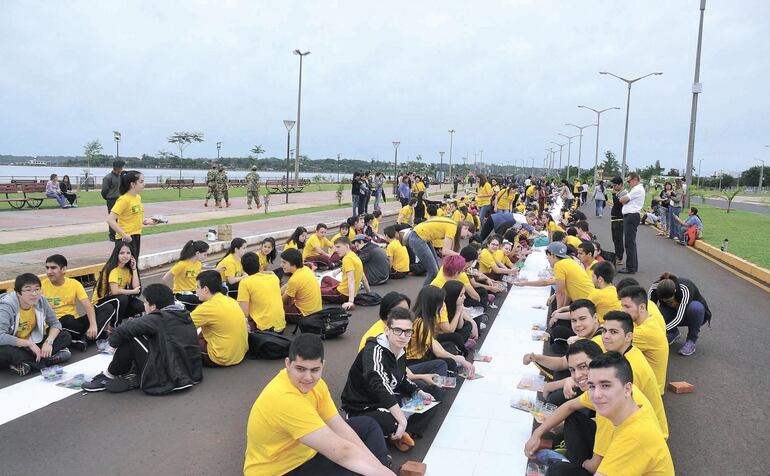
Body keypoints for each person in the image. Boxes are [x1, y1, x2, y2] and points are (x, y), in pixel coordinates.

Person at [243, 334, 393, 476]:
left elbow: (340, 428)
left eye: (314, 370)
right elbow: (342, 452)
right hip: (280, 471)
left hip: (305, 454)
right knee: (356, 469)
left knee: (367, 426)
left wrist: (378, 468)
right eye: (300, 369)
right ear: (288, 363)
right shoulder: (284, 398)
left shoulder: (317, 385)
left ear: (323, 365)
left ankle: (381, 466)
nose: (308, 378)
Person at [527, 349, 673, 475]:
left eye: (605, 385)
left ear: (627, 389)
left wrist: (582, 465)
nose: (596, 394)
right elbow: (569, 406)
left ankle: (568, 462)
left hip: (621, 453)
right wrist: (537, 433)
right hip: (623, 454)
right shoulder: (623, 404)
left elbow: (595, 467)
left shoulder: (633, 436)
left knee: (558, 471)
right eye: (592, 386)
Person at [341, 307, 437, 452]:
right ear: (387, 330)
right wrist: (401, 419)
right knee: (394, 421)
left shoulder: (400, 350)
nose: (403, 336)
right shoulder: (374, 350)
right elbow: (378, 380)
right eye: (397, 330)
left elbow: (401, 379)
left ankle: (399, 432)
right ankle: (396, 429)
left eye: (407, 332)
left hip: (385, 400)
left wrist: (418, 391)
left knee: (430, 395)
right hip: (362, 407)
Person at [81, 283, 203, 394]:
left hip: (170, 376)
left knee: (132, 339)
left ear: (153, 306)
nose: (143, 305)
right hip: (190, 372)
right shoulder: (183, 313)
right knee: (147, 335)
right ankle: (136, 373)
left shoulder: (158, 318)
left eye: (145, 302)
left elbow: (124, 330)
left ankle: (109, 375)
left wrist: (111, 344)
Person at [593, 311, 668, 441]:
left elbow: (619, 411)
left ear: (629, 337)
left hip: (648, 434)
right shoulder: (626, 352)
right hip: (639, 422)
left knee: (580, 422)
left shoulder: (631, 367)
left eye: (613, 332)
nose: (605, 336)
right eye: (604, 331)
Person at [0, 273, 72, 376]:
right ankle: (46, 361)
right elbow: (1, 336)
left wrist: (49, 342)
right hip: (12, 344)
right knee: (5, 353)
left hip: (33, 341)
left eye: (37, 289)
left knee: (65, 336)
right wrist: (28, 344)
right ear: (18, 293)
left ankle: (27, 364)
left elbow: (55, 323)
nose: (34, 294)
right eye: (28, 290)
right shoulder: (7, 306)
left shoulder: (41, 301)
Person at [405, 286, 476, 377]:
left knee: (449, 347)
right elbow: (438, 349)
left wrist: (456, 358)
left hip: (423, 353)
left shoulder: (423, 317)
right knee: (445, 363)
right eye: (441, 303)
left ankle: (452, 363)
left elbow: (434, 342)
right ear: (432, 304)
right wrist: (458, 359)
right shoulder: (420, 323)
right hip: (414, 361)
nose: (443, 305)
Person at [41, 254, 103, 350]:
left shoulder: (74, 284)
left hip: (75, 323)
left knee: (105, 308)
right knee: (67, 319)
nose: (49, 271)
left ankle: (83, 337)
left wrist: (93, 325)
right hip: (55, 326)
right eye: (47, 268)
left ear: (63, 269)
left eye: (53, 268)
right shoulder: (41, 286)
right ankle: (91, 336)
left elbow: (88, 305)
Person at [618, 286, 669, 394]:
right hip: (648, 385)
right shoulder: (647, 320)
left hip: (647, 391)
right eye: (622, 306)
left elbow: (609, 342)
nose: (623, 311)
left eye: (627, 306)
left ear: (642, 307)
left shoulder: (646, 331)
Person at [191, 270, 248, 366]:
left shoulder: (206, 308)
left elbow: (183, 326)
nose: (195, 290)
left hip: (222, 357)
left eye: (197, 287)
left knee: (186, 342)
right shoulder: (230, 300)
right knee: (205, 330)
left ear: (205, 289)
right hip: (240, 353)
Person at [648, 272, 711, 356]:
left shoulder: (685, 288)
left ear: (675, 291)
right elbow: (648, 310)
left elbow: (679, 317)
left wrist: (660, 330)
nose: (666, 301)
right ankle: (673, 333)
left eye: (668, 299)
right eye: (663, 300)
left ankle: (691, 341)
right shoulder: (654, 288)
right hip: (671, 310)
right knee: (659, 315)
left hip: (689, 313)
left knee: (695, 308)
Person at [516, 242, 594, 309]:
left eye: (548, 256)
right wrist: (561, 309)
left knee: (556, 321)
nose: (548, 259)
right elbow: (567, 291)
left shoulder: (559, 265)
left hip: (587, 304)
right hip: (590, 299)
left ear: (552, 255)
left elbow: (561, 292)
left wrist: (557, 313)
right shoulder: (569, 261)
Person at [405, 216, 474, 286]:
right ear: (465, 227)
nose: (465, 238)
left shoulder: (453, 224)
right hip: (418, 237)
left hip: (421, 236)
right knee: (433, 272)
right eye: (467, 235)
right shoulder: (453, 227)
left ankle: (432, 291)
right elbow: (445, 251)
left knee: (436, 271)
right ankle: (424, 295)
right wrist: (462, 256)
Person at [91, 242, 145, 325]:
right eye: (122, 253)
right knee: (123, 298)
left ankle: (120, 319)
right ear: (116, 254)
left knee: (140, 306)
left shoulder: (127, 270)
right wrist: (132, 291)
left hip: (116, 301)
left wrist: (134, 269)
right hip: (100, 304)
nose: (125, 256)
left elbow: (136, 287)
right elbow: (115, 291)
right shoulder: (112, 269)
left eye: (128, 253)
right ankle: (114, 326)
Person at [106, 170, 154, 258]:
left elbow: (132, 216)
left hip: (136, 235)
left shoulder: (137, 197)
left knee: (133, 265)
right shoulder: (124, 200)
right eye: (141, 182)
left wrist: (145, 221)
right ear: (132, 184)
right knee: (126, 267)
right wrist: (124, 235)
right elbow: (110, 220)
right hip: (125, 238)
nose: (144, 184)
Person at [239, 252, 287, 332]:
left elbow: (245, 313)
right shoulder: (273, 277)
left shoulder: (245, 283)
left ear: (243, 268)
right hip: (281, 326)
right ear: (259, 265)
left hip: (265, 330)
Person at [320, 237, 370, 311]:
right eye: (335, 247)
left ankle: (327, 295)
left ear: (347, 246)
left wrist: (350, 302)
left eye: (338, 247)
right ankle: (328, 292)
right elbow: (363, 278)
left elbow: (351, 279)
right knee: (326, 278)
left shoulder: (347, 259)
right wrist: (369, 293)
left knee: (315, 291)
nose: (336, 250)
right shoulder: (354, 256)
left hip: (342, 294)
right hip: (344, 288)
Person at [162, 240, 210, 310]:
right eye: (205, 254)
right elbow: (165, 278)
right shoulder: (182, 264)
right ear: (197, 253)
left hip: (194, 292)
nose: (206, 257)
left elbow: (198, 276)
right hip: (181, 294)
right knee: (205, 301)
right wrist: (172, 292)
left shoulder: (198, 264)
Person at [280, 249, 323, 324]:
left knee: (273, 309)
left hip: (305, 314)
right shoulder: (305, 269)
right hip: (316, 310)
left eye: (284, 262)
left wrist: (271, 300)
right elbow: (288, 285)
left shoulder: (295, 279)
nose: (281, 265)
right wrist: (277, 292)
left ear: (293, 264)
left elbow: (285, 301)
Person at [617, 172, 645, 274]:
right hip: (631, 216)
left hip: (631, 216)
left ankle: (631, 267)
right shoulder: (635, 189)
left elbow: (623, 200)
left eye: (629, 181)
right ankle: (632, 266)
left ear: (635, 179)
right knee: (630, 242)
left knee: (629, 242)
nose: (628, 183)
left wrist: (623, 199)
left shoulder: (637, 189)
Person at [101, 160, 125, 241]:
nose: (122, 169)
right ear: (116, 168)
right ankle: (112, 236)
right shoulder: (108, 178)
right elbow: (104, 191)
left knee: (121, 218)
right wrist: (108, 197)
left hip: (120, 199)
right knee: (112, 218)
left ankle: (120, 233)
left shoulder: (120, 176)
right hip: (111, 200)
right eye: (121, 168)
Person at [608, 176, 625, 267]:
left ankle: (620, 257)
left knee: (618, 239)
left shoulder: (624, 193)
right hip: (614, 218)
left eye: (615, 185)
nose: (613, 187)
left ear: (620, 185)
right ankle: (617, 255)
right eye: (613, 185)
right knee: (614, 239)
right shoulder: (618, 193)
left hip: (619, 219)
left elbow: (618, 205)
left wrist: (614, 195)